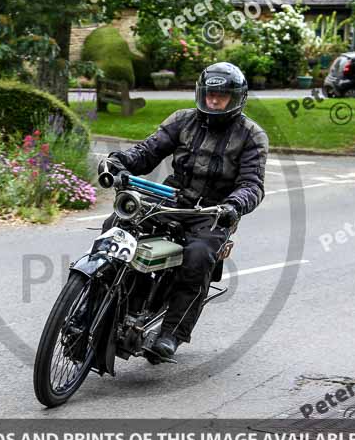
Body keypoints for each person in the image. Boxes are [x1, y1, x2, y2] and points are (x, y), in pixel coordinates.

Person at [102, 62, 269, 359]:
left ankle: (171, 333)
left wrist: (234, 206)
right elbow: (148, 151)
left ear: (237, 98)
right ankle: (99, 300)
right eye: (209, 94)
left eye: (221, 96)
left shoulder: (252, 135)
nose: (214, 101)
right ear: (201, 94)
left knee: (198, 256)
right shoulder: (183, 120)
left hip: (213, 211)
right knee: (115, 224)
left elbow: (252, 184)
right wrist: (120, 161)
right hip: (171, 200)